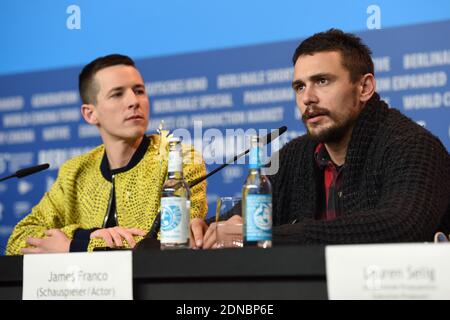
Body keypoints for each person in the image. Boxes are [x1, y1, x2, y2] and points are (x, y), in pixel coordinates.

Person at [200, 29, 450, 248]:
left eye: (321, 81)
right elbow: (239, 221)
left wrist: (262, 237)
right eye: (299, 87)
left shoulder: (414, 146)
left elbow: (399, 227)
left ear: (364, 88)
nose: (308, 98)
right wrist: (203, 231)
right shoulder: (295, 156)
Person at [6, 54, 207, 255]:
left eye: (139, 91)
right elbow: (18, 240)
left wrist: (76, 246)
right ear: (90, 114)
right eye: (117, 94)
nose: (133, 101)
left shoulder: (178, 159)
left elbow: (175, 242)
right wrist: (86, 235)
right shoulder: (74, 172)